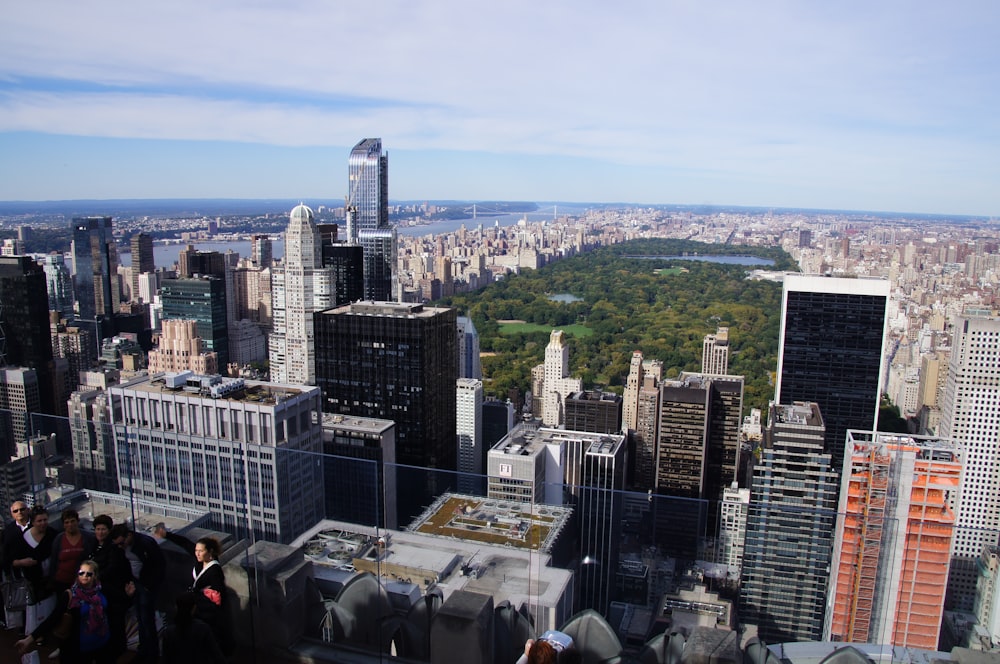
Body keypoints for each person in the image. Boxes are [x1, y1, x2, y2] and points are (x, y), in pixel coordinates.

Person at [15, 559, 132, 663]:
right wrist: (29, 639)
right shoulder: (70, 596)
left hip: (101, 645)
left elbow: (119, 607)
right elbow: (53, 619)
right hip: (77, 649)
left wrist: (129, 595)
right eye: (81, 573)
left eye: (89, 573)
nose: (84, 576)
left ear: (95, 576)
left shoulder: (103, 591)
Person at [110, 524, 165, 662]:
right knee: (140, 619)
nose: (121, 547)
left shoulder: (145, 543)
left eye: (122, 543)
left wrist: (149, 586)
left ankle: (151, 654)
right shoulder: (124, 546)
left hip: (147, 585)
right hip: (137, 583)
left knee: (147, 620)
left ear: (129, 536)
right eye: (118, 544)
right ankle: (143, 651)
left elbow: (160, 565)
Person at [88, 515, 133, 659]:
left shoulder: (113, 548)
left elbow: (112, 569)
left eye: (103, 529)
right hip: (99, 594)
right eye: (98, 529)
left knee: (115, 625)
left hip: (113, 594)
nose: (100, 532)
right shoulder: (93, 546)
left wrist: (94, 577)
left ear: (109, 531)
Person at [9, 505, 58, 634]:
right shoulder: (23, 538)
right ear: (33, 522)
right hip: (32, 581)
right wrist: (22, 562)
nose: (43, 523)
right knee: (35, 611)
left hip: (51, 580)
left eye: (45, 520)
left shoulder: (53, 534)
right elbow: (12, 561)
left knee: (51, 608)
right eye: (39, 521)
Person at [190, 537, 232, 655]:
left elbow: (218, 592)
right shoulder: (199, 563)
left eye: (201, 551)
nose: (197, 553)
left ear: (210, 552)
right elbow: (185, 544)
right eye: (196, 550)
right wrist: (167, 535)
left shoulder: (215, 570)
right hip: (199, 606)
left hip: (208, 611)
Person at [161, 591, 226, 664]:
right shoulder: (203, 629)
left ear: (176, 607)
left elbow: (165, 659)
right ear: (193, 608)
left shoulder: (168, 633)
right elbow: (217, 656)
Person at [48, 510, 97, 593]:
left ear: (77, 521)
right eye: (66, 522)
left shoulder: (88, 537)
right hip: (62, 583)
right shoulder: (59, 539)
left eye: (72, 521)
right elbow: (53, 562)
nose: (70, 525)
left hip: (83, 582)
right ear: (63, 525)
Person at [2, 500, 33, 628]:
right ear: (12, 514)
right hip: (17, 572)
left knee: (35, 600)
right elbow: (5, 554)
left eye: (22, 509)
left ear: (27, 510)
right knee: (20, 600)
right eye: (16, 511)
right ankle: (22, 627)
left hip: (34, 570)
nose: (19, 512)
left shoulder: (36, 526)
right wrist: (9, 572)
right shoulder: (8, 531)